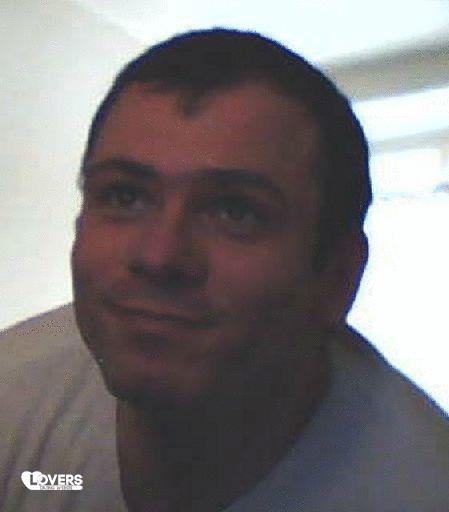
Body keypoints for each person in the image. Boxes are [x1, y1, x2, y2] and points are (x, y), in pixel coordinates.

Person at [1, 28, 448, 512]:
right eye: (124, 196)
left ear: (338, 277)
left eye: (235, 211)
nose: (159, 256)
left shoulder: (422, 489)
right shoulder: (15, 396)